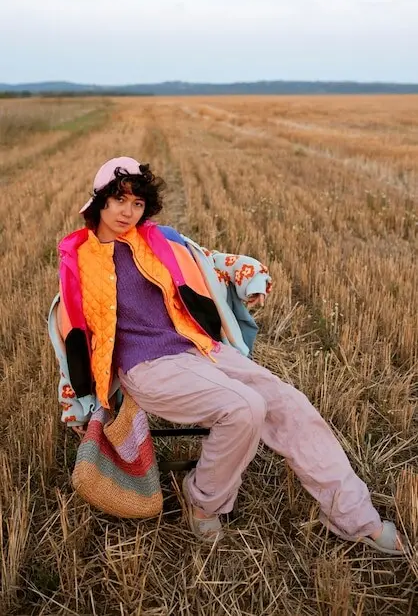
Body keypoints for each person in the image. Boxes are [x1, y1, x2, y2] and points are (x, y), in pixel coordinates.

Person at [53, 156, 405, 555]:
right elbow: (70, 332)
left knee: (290, 403)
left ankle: (355, 518)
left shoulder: (160, 239)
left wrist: (247, 274)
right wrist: (77, 402)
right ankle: (204, 501)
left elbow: (211, 261)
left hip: (200, 347)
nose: (127, 212)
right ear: (100, 200)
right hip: (147, 367)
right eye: (119, 200)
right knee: (244, 408)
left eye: (137, 203)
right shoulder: (78, 259)